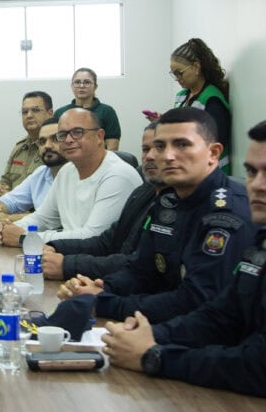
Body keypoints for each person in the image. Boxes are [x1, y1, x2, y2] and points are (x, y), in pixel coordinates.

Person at [102, 115, 266, 412]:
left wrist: (155, 356)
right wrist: (149, 335)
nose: (258, 185)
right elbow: (220, 315)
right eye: (252, 171)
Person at [58, 107, 254, 323]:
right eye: (160, 146)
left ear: (213, 153)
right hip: (161, 323)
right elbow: (141, 271)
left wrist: (104, 302)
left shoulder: (226, 214)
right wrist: (101, 287)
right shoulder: (167, 201)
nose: (166, 156)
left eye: (182, 145)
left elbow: (194, 301)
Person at [0, 108, 140, 246]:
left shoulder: (117, 175)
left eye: (77, 132)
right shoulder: (66, 171)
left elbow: (93, 238)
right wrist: (7, 229)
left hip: (99, 258)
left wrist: (25, 238)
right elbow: (43, 218)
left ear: (99, 136)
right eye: (62, 135)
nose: (68, 140)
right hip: (67, 255)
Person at [42, 123, 163, 280]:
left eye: (160, 148)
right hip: (115, 283)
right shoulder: (144, 192)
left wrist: (67, 265)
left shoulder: (120, 175)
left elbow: (140, 264)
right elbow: (106, 242)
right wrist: (54, 246)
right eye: (145, 149)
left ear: (100, 137)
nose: (150, 156)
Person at [170, 38, 231, 174]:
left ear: (196, 67)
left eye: (180, 73)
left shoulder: (212, 99)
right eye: (174, 74)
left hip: (211, 173)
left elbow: (214, 142)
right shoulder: (181, 96)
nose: (177, 78)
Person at [0, 116, 65, 223]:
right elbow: (10, 201)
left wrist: (7, 218)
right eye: (42, 141)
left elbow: (53, 218)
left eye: (55, 139)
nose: (47, 146)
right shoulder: (40, 173)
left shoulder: (77, 174)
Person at [0, 92, 54, 199]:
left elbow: (51, 194)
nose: (29, 115)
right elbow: (5, 181)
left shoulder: (56, 148)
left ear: (50, 113)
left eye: (35, 110)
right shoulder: (19, 148)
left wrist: (11, 197)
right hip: (10, 206)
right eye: (25, 112)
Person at [53, 67, 121, 150]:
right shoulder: (61, 113)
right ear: (72, 86)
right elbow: (56, 143)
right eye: (77, 82)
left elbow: (112, 147)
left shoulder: (107, 111)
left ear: (95, 87)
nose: (81, 86)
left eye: (87, 82)